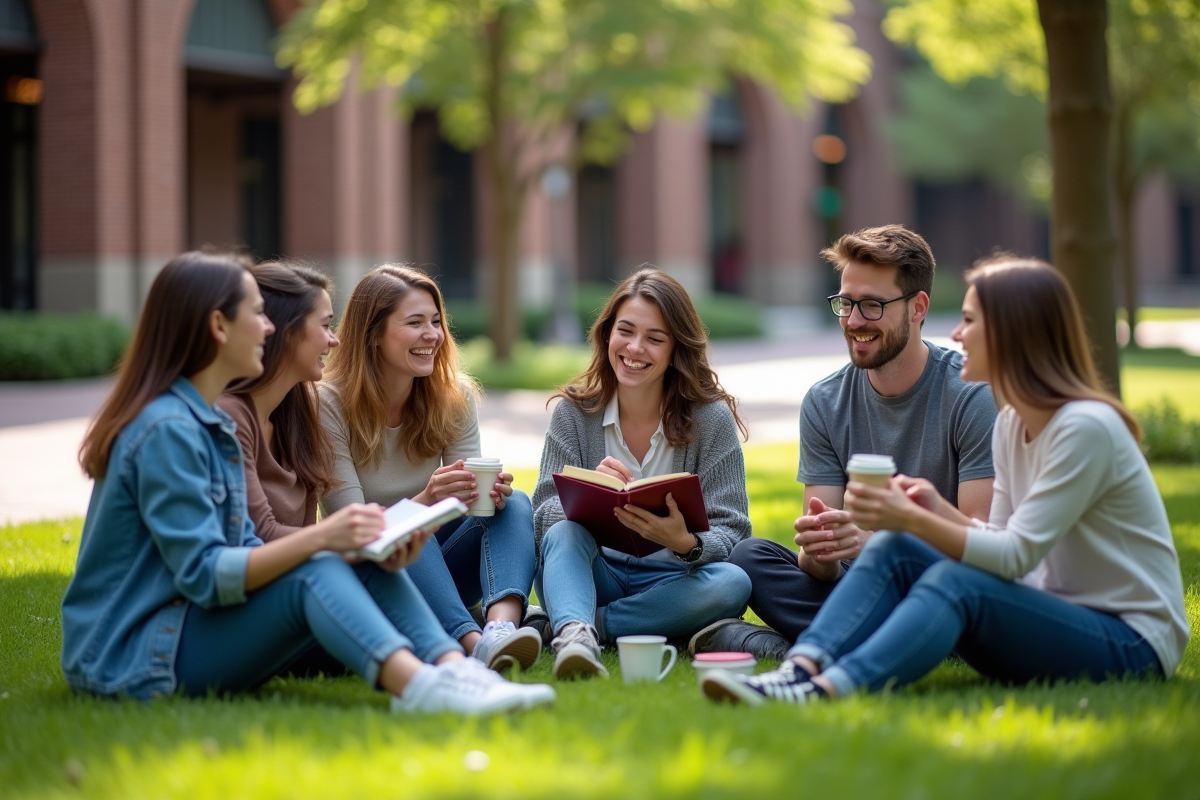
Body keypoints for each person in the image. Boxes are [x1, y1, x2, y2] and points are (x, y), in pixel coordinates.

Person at [61, 251, 554, 714]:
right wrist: (329, 538)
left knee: (355, 555)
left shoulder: (212, 421)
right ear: (218, 326)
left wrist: (349, 543)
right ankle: (424, 687)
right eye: (258, 315)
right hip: (134, 654)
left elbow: (247, 549)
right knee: (324, 564)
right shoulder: (170, 431)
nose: (267, 328)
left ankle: (457, 671)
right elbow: (208, 574)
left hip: (194, 628)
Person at [702, 256, 1189, 704]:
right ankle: (799, 668)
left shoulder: (1084, 428)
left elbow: (1017, 554)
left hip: (1130, 641)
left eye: (971, 321)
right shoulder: (1013, 422)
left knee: (953, 582)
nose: (956, 334)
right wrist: (931, 510)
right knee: (895, 548)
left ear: (1014, 331)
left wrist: (915, 516)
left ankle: (826, 688)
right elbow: (998, 546)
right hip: (1044, 613)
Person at [692, 225, 997, 661]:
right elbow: (820, 564)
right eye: (846, 303)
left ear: (918, 307)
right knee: (749, 558)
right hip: (857, 584)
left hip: (940, 577)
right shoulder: (825, 401)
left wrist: (871, 542)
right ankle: (901, 635)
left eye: (872, 305)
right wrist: (822, 549)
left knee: (956, 589)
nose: (854, 322)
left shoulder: (970, 395)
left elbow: (978, 543)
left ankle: (829, 638)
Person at [319, 264, 543, 672]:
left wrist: (483, 494)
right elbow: (351, 528)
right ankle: (471, 642)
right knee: (408, 527)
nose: (433, 335)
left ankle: (501, 632)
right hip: (372, 573)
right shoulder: (327, 404)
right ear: (373, 336)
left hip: (439, 573)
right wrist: (425, 501)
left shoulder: (453, 395)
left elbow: (468, 499)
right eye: (415, 323)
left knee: (514, 504)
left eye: (436, 322)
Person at [533, 267, 753, 679]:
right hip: (595, 572)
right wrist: (585, 498)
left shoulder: (710, 420)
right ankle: (578, 631)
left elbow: (735, 532)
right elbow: (542, 516)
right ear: (607, 335)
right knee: (563, 535)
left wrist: (685, 542)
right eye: (626, 331)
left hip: (674, 580)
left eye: (655, 339)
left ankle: (583, 626)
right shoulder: (573, 414)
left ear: (676, 350)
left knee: (733, 583)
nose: (635, 348)